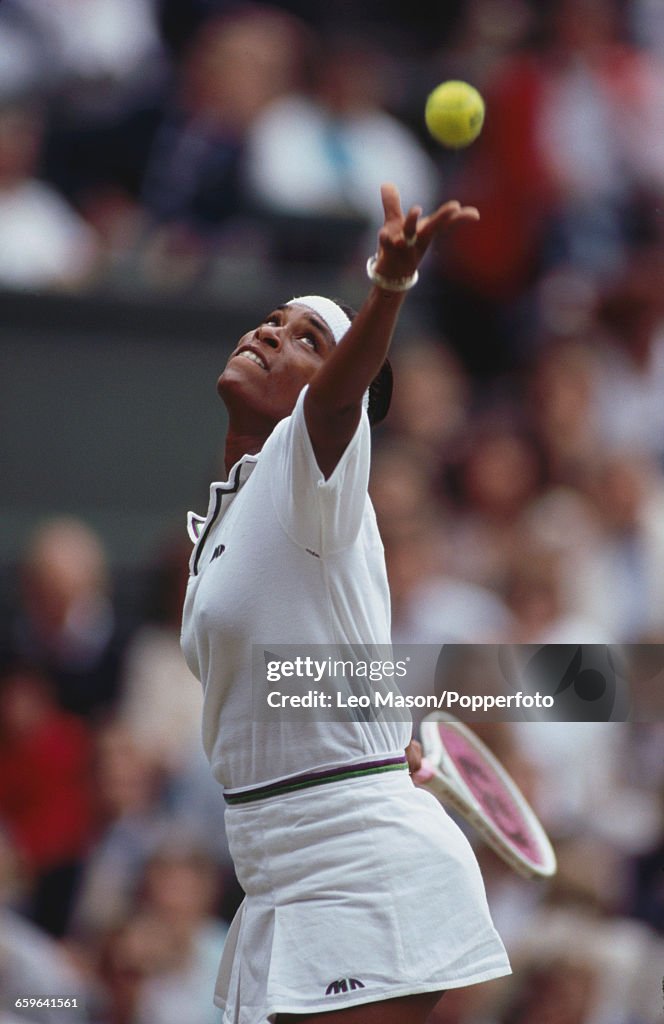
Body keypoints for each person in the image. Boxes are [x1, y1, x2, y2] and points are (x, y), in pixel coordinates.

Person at [180, 183, 511, 1023]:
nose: (269, 333)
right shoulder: (232, 513)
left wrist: (387, 288)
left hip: (359, 871)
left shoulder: (311, 464)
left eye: (306, 338)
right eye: (274, 320)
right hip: (277, 874)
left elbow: (332, 404)